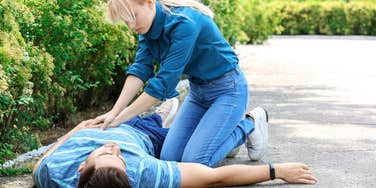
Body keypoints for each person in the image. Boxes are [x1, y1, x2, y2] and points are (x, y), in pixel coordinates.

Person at [88, 0, 261, 167]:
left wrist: (120, 119)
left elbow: (163, 84)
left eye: (133, 16)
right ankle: (223, 133)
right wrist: (114, 112)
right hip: (198, 93)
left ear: (149, 3)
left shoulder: (185, 23)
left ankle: (250, 123)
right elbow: (140, 69)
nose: (131, 26)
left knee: (195, 162)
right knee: (169, 158)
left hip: (228, 90)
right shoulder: (146, 28)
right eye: (126, 21)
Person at [32, 98, 317, 188]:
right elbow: (212, 179)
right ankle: (250, 122)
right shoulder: (142, 172)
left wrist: (74, 131)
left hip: (115, 124)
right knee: (200, 159)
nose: (113, 149)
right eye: (117, 158)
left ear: (81, 166)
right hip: (145, 139)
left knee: (192, 141)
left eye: (105, 153)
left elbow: (39, 163)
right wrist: (275, 171)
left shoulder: (53, 172)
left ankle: (159, 115)